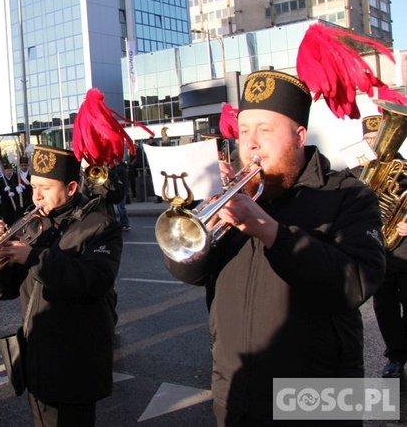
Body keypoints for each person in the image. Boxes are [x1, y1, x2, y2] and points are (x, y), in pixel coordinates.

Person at [164, 70, 385, 425]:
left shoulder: (348, 194)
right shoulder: (231, 195)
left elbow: (356, 283)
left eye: (265, 130)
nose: (250, 143)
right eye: (244, 130)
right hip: (235, 389)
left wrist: (269, 230)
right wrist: (200, 216)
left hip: (321, 395)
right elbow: (187, 270)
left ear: (299, 137)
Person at [0, 145, 122, 427]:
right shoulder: (30, 224)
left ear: (71, 188)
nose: (36, 196)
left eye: (45, 187)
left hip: (76, 363)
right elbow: (3, 290)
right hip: (37, 357)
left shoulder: (101, 226)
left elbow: (94, 282)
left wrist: (33, 257)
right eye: (33, 186)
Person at [362, 114, 407, 378]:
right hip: (377, 249)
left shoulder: (404, 169)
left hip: (404, 248)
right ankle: (396, 356)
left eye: (377, 139)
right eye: (368, 139)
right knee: (385, 306)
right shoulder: (359, 172)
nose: (374, 144)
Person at [113, 160, 130, 230]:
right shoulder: (122, 168)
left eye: (114, 160)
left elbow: (113, 173)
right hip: (123, 190)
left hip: (122, 190)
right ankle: (123, 223)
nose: (113, 162)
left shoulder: (119, 169)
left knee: (121, 207)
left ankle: (125, 223)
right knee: (120, 207)